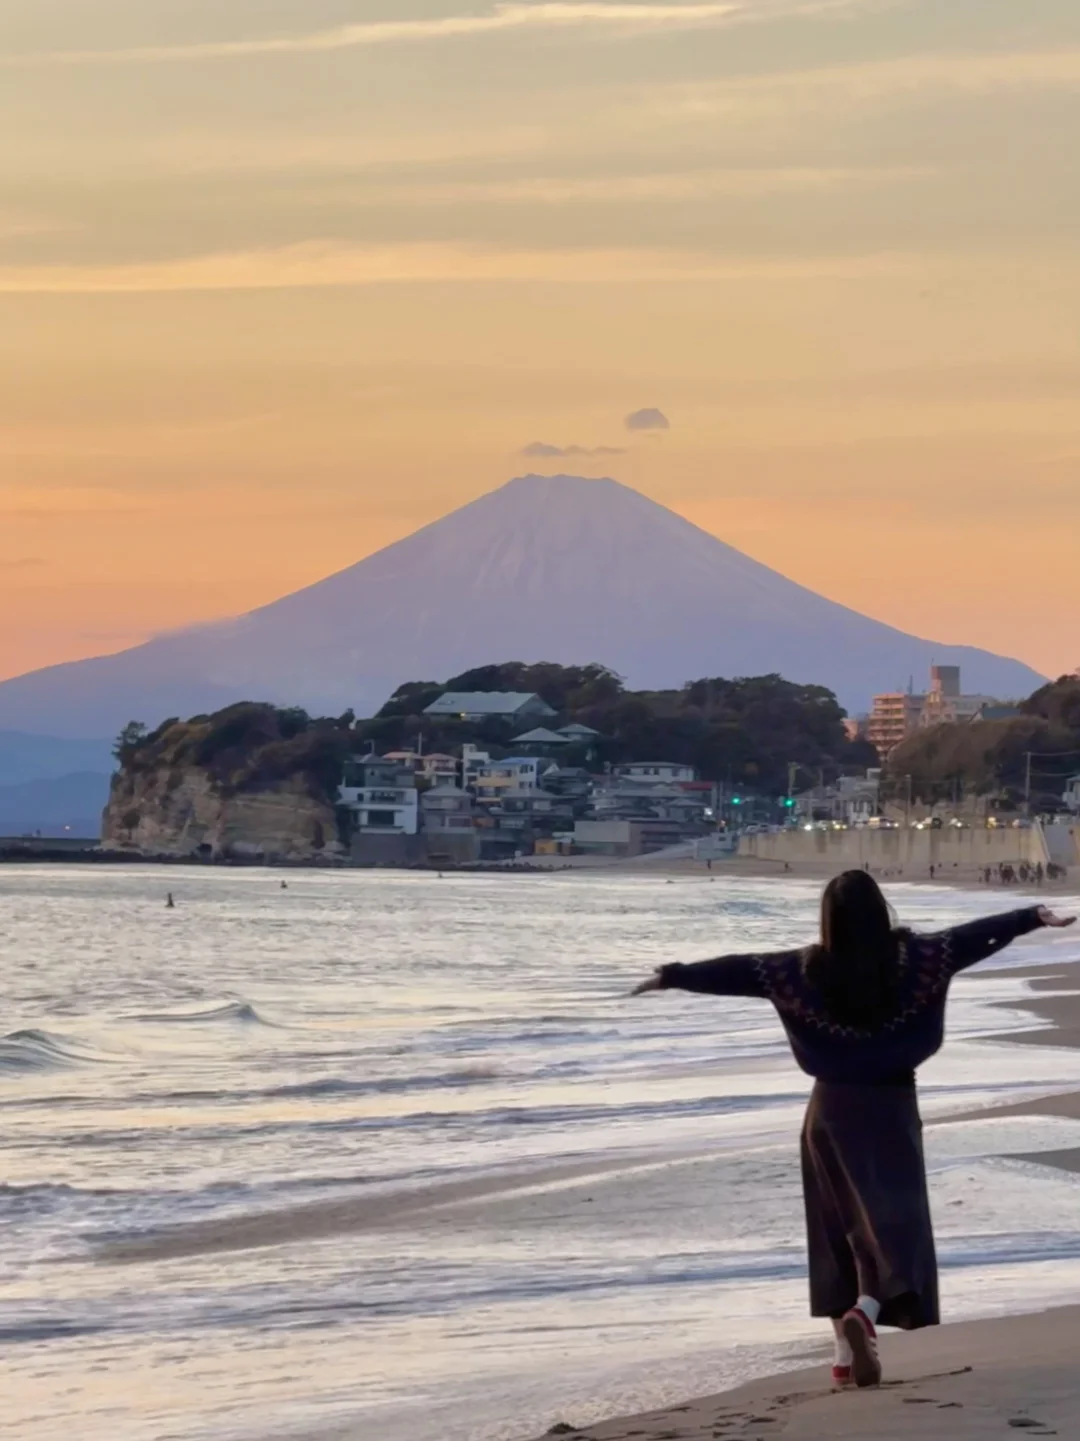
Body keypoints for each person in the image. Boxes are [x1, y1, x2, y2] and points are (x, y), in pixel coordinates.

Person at [631, 871, 1075, 1390]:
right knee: (896, 1228)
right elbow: (974, 937)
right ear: (881, 910)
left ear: (829, 919)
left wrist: (673, 974)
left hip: (829, 1112)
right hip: (890, 1106)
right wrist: (1030, 917)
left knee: (836, 1229)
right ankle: (865, 1313)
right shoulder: (921, 960)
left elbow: (734, 971)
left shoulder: (797, 971)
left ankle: (844, 1356)